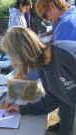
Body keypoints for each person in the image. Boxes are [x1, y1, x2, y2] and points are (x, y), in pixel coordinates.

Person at [0, 26, 76, 135]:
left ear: (22, 52)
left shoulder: (66, 54)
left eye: (12, 55)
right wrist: (21, 109)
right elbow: (52, 100)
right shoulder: (42, 65)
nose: (14, 61)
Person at [35, 0, 76, 132]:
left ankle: (65, 129)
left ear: (52, 6)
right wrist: (44, 35)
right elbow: (56, 27)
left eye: (45, 16)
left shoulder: (67, 24)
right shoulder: (68, 12)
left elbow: (57, 63)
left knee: (65, 99)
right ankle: (63, 123)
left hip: (69, 76)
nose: (47, 20)